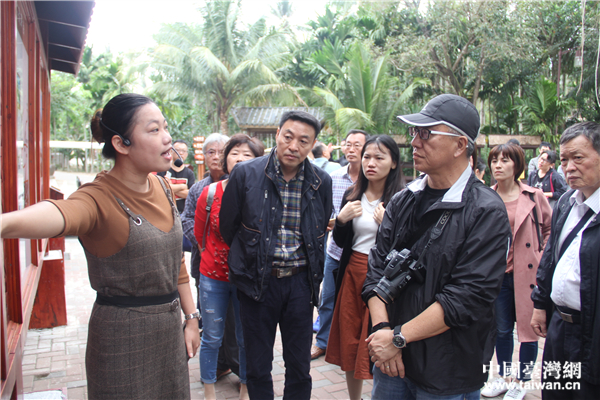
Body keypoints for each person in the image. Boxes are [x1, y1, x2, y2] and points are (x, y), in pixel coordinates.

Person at [1, 93, 200, 399]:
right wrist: (5, 224)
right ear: (121, 144)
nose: (167, 137)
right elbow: (61, 213)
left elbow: (177, 265)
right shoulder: (97, 197)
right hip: (121, 339)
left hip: (169, 333)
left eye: (165, 127)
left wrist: (191, 318)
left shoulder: (161, 185)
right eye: (153, 130)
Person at [362, 94, 511, 399]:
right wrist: (381, 331)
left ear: (460, 145)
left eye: (426, 133)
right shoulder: (404, 199)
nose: (415, 142)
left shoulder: (486, 211)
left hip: (448, 369)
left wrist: (398, 338)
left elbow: (467, 296)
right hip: (392, 361)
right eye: (414, 133)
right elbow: (376, 268)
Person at [220, 111, 333, 399]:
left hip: (299, 284)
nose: (293, 146)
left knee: (299, 365)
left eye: (303, 141)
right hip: (258, 283)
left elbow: (318, 228)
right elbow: (228, 227)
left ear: (313, 145)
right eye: (288, 137)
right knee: (258, 365)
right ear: (278, 134)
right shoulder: (246, 173)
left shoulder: (321, 181)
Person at [326, 135, 403, 400]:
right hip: (352, 274)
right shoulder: (353, 194)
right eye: (367, 156)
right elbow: (341, 242)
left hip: (384, 280)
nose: (371, 163)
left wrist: (388, 227)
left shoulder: (401, 200)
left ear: (393, 163)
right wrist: (342, 222)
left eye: (379, 157)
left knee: (379, 342)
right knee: (350, 342)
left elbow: (406, 248)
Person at [530, 121, 600, 399]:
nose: (569, 167)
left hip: (592, 332)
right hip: (560, 327)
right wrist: (539, 304)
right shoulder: (566, 203)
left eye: (578, 158)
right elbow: (550, 258)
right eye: (566, 159)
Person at [194, 134, 265, 400]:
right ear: (226, 159)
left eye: (248, 155)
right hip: (213, 277)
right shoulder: (210, 192)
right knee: (211, 336)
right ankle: (209, 391)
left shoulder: (264, 195)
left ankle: (246, 389)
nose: (241, 159)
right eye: (235, 153)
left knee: (246, 336)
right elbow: (200, 235)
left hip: (247, 278)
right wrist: (215, 260)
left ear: (258, 161)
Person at [481, 143, 552, 400]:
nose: (498, 165)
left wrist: (542, 258)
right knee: (501, 331)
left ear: (517, 165)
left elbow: (550, 231)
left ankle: (521, 381)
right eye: (494, 160)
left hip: (528, 276)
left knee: (528, 331)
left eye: (505, 160)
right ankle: (502, 377)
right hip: (498, 277)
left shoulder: (534, 196)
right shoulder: (485, 196)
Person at [180, 133, 240, 379]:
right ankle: (219, 363)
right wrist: (204, 244)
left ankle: (235, 365)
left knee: (234, 321)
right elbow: (187, 220)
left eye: (220, 152)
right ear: (204, 156)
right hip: (205, 264)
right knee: (212, 317)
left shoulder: (238, 183)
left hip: (235, 267)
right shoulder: (198, 188)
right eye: (210, 152)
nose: (216, 157)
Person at [312, 130, 369, 360]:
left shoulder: (374, 178)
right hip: (336, 250)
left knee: (361, 301)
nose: (352, 149)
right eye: (348, 144)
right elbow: (326, 213)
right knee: (328, 297)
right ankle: (323, 341)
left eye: (358, 145)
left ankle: (362, 347)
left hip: (365, 253)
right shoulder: (334, 177)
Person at [157, 139, 195, 251]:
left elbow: (190, 194)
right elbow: (161, 189)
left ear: (187, 154)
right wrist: (182, 186)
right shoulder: (163, 170)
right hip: (166, 213)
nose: (181, 153)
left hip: (183, 213)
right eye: (178, 150)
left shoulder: (189, 173)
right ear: (172, 151)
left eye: (183, 151)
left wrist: (171, 187)